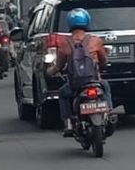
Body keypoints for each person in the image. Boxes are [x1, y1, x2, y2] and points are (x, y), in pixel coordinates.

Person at [46, 8, 111, 137]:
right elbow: (103, 61)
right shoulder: (96, 41)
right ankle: (109, 112)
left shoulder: (65, 44)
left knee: (63, 93)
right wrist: (102, 66)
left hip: (76, 85)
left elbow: (58, 67)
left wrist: (49, 71)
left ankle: (68, 123)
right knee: (106, 87)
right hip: (94, 81)